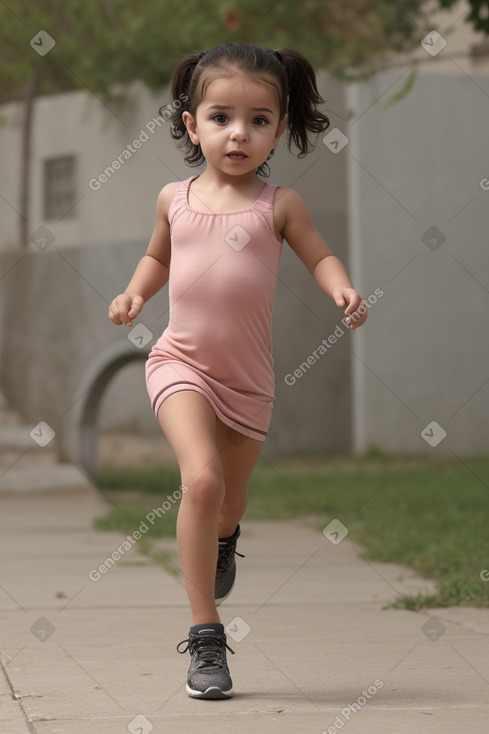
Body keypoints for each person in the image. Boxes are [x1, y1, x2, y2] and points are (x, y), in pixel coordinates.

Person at [108, 41, 367, 700]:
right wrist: (137, 292)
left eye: (258, 119)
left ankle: (224, 538)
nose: (239, 132)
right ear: (191, 125)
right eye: (221, 116)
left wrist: (341, 288)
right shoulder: (175, 197)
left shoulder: (279, 206)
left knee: (228, 498)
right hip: (180, 363)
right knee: (200, 480)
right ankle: (206, 636)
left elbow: (319, 257)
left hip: (248, 381)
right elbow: (158, 258)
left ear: (278, 128)